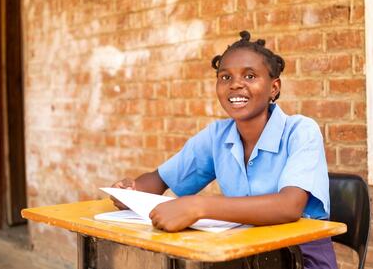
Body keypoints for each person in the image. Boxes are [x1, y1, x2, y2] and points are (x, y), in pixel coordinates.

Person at [111, 31, 338, 269]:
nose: (236, 84)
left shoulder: (301, 131)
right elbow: (159, 180)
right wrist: (131, 192)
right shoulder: (217, 136)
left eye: (250, 76)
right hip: (242, 252)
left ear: (274, 87)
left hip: (298, 257)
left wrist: (199, 206)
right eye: (225, 77)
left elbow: (289, 206)